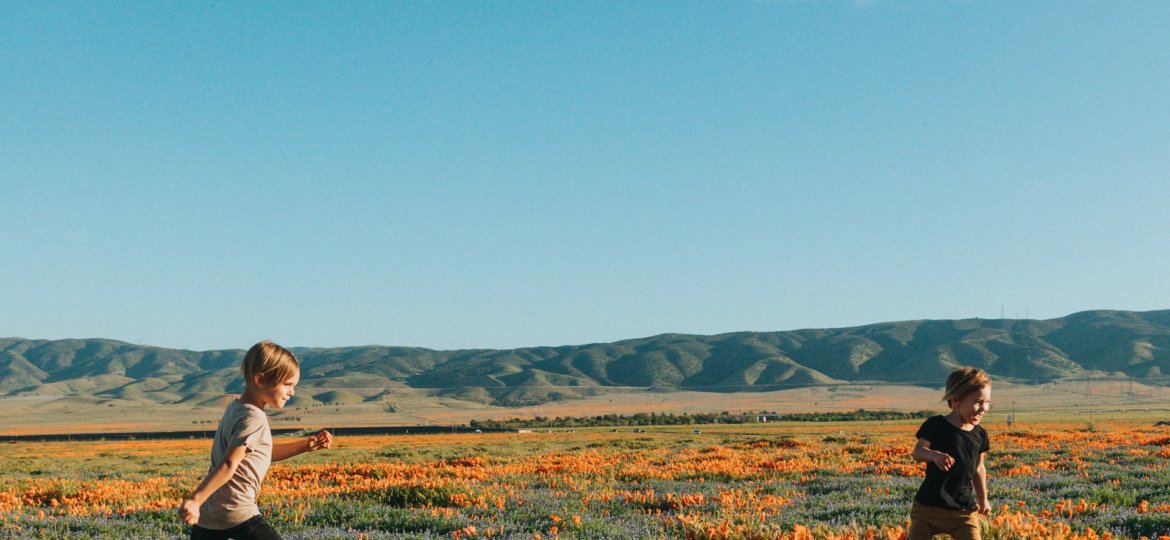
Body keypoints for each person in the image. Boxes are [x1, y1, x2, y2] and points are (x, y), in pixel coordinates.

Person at [179, 341, 333, 540]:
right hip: (236, 509)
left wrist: (305, 445)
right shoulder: (254, 418)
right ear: (260, 379)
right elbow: (229, 463)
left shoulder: (235, 409)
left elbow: (260, 452)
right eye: (287, 384)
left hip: (211, 513)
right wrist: (194, 499)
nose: (292, 392)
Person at [908, 367, 992, 540]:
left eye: (987, 402)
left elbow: (979, 469)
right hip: (928, 508)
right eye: (977, 402)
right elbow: (918, 452)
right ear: (955, 401)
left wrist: (983, 500)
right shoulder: (935, 425)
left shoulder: (980, 434)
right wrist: (934, 455)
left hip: (963, 511)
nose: (984, 408)